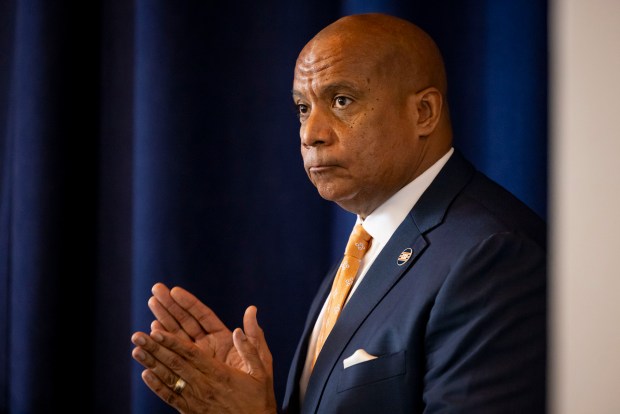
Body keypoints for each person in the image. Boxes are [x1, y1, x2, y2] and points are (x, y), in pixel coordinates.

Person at [130, 12, 546, 413]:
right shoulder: (369, 244)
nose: (312, 134)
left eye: (342, 100)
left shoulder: (494, 255)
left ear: (424, 113)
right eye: (302, 108)